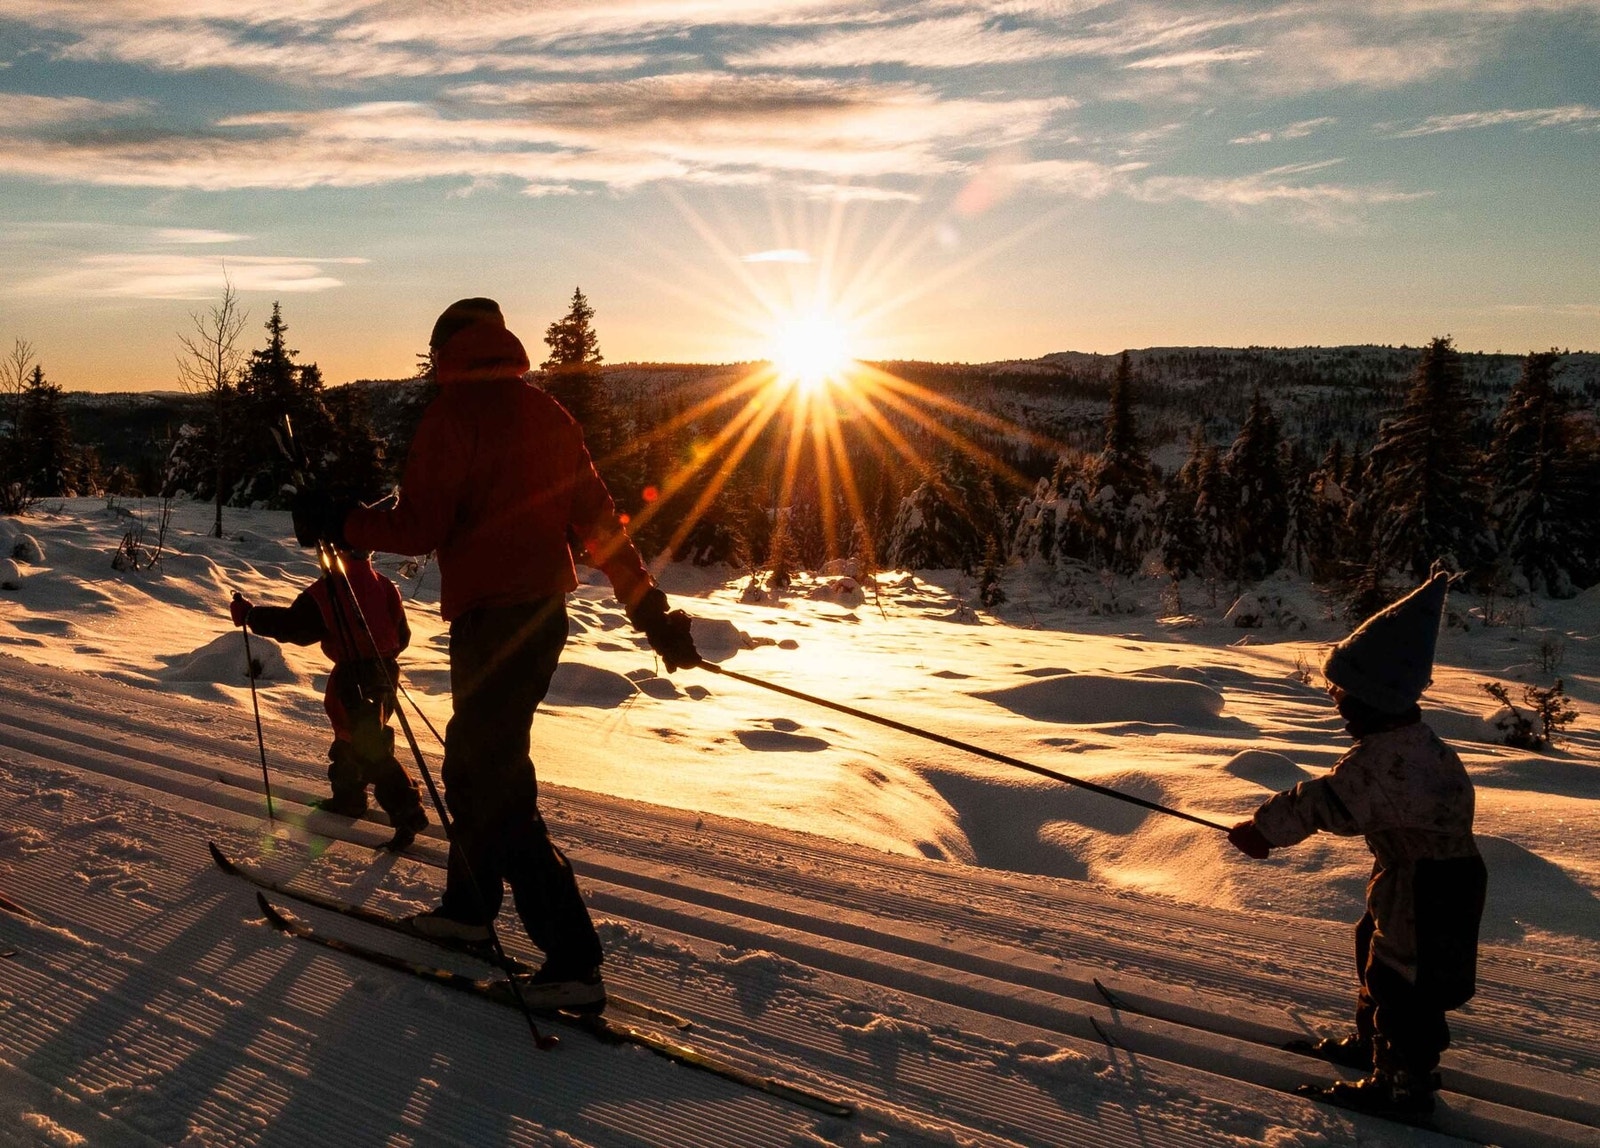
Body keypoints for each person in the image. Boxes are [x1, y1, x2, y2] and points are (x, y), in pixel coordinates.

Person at [293, 297, 700, 1013]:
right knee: (474, 765)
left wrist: (339, 519)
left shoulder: (454, 417)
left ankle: (572, 960)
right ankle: (468, 911)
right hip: (540, 620)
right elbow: (601, 523)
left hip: (491, 624)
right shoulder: (547, 414)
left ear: (448, 350)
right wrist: (648, 608)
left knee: (496, 782)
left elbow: (420, 527)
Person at [1228, 569, 1487, 1119]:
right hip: (1424, 875)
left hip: (1424, 883)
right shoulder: (1417, 744)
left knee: (1404, 980)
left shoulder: (1385, 760)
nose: (1338, 704)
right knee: (1378, 952)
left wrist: (1263, 830)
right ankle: (1375, 1049)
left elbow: (1327, 801)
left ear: (1376, 697)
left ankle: (1403, 1087)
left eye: (1344, 695)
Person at [231, 548, 429, 852]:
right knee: (356, 740)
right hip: (386, 672)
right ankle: (350, 799)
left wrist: (251, 615)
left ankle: (408, 813)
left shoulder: (328, 590)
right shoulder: (385, 585)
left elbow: (294, 627)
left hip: (353, 679)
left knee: (366, 746)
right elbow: (402, 637)